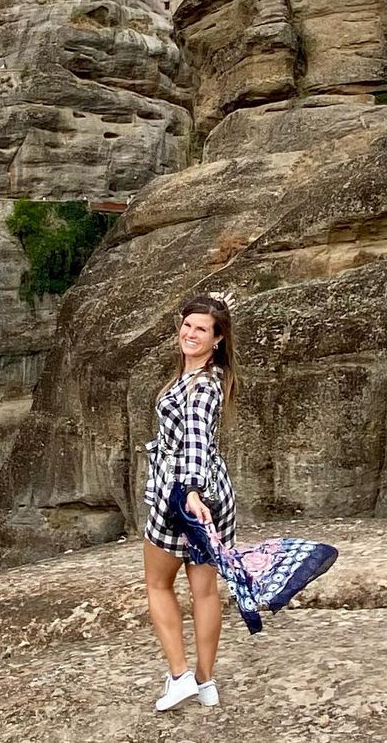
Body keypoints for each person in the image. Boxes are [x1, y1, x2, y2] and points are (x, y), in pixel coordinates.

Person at [143, 294, 237, 712]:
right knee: (205, 592)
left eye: (202, 329)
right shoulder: (210, 377)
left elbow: (196, 439)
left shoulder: (200, 387)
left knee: (158, 584)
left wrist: (192, 491)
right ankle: (205, 682)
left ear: (218, 339)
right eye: (187, 325)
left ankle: (181, 677)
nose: (191, 333)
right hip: (214, 494)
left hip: (182, 493)